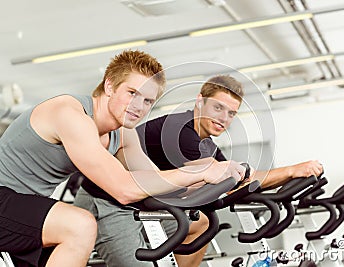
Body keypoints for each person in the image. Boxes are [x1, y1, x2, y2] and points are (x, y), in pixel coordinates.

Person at [0, 50, 245, 267]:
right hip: (4, 199)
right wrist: (196, 172)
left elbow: (153, 182)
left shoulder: (123, 134)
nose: (138, 106)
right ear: (109, 86)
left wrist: (209, 175)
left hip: (23, 209)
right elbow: (124, 189)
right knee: (79, 225)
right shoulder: (70, 114)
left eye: (148, 100)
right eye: (132, 93)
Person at [136, 74, 324, 266]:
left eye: (231, 113)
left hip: (146, 203)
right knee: (202, 222)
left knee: (203, 223)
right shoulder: (181, 132)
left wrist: (292, 173)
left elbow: (239, 180)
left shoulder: (205, 143)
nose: (224, 118)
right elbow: (230, 183)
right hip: (122, 207)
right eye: (218, 108)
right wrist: (291, 171)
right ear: (200, 101)